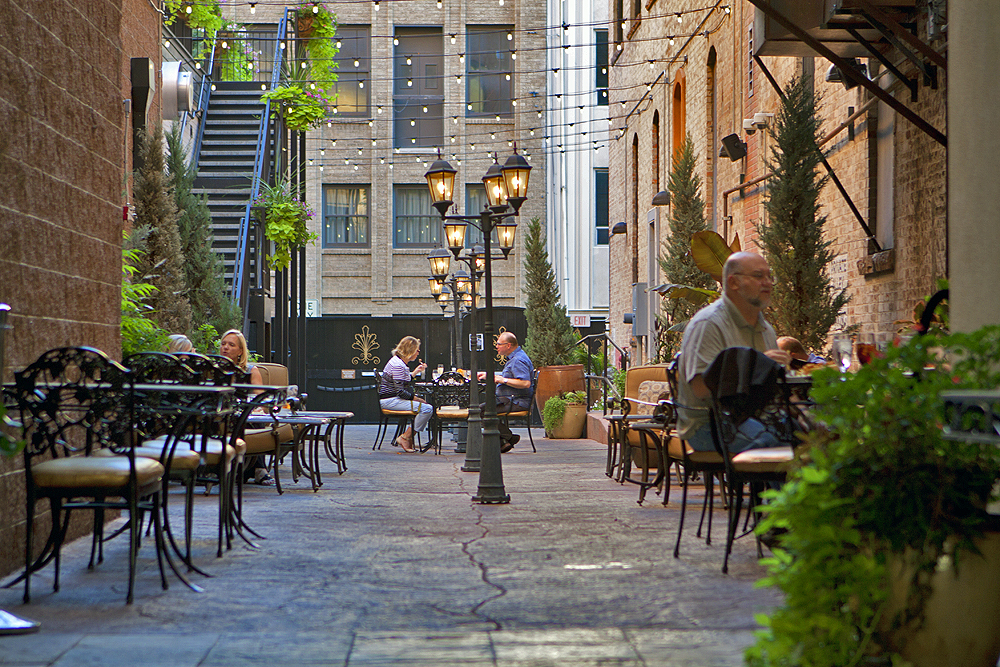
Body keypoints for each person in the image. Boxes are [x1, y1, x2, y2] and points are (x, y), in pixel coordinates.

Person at [677, 252, 792, 454]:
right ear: (733, 282)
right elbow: (701, 389)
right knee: (775, 440)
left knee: (815, 434)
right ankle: (780, 486)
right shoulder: (709, 324)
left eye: (769, 276)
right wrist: (757, 365)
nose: (767, 283)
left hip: (756, 416)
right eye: (758, 276)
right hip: (709, 424)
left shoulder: (766, 328)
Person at [218, 329, 272, 484]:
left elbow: (260, 399)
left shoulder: (250, 371)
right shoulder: (215, 369)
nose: (225, 348)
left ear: (240, 351)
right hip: (222, 413)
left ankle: (259, 469)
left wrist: (256, 407)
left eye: (231, 345)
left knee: (254, 418)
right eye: (223, 344)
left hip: (245, 412)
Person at [478, 332, 534, 453]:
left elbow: (525, 383)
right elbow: (510, 376)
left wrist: (503, 380)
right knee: (483, 409)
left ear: (508, 345)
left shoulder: (518, 360)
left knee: (481, 411)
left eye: (499, 344)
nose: (496, 346)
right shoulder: (515, 358)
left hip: (517, 401)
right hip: (510, 399)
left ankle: (506, 438)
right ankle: (505, 440)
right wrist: (490, 375)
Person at [378, 336, 432, 453]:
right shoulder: (398, 365)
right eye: (417, 350)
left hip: (392, 399)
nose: (418, 353)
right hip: (391, 401)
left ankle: (408, 437)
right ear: (410, 350)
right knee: (427, 409)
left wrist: (416, 372)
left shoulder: (398, 362)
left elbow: (403, 380)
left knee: (426, 407)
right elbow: (400, 391)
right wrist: (417, 399)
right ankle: (405, 437)